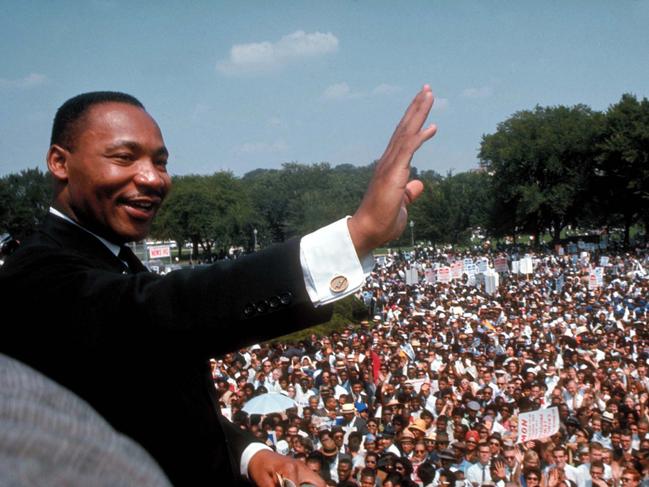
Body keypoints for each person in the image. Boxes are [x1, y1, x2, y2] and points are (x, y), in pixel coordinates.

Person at [0, 87, 437, 486]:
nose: (153, 178)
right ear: (60, 162)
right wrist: (358, 234)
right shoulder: (34, 275)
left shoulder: (113, 257)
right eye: (124, 157)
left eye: (160, 161)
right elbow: (162, 312)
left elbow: (152, 406)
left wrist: (249, 454)